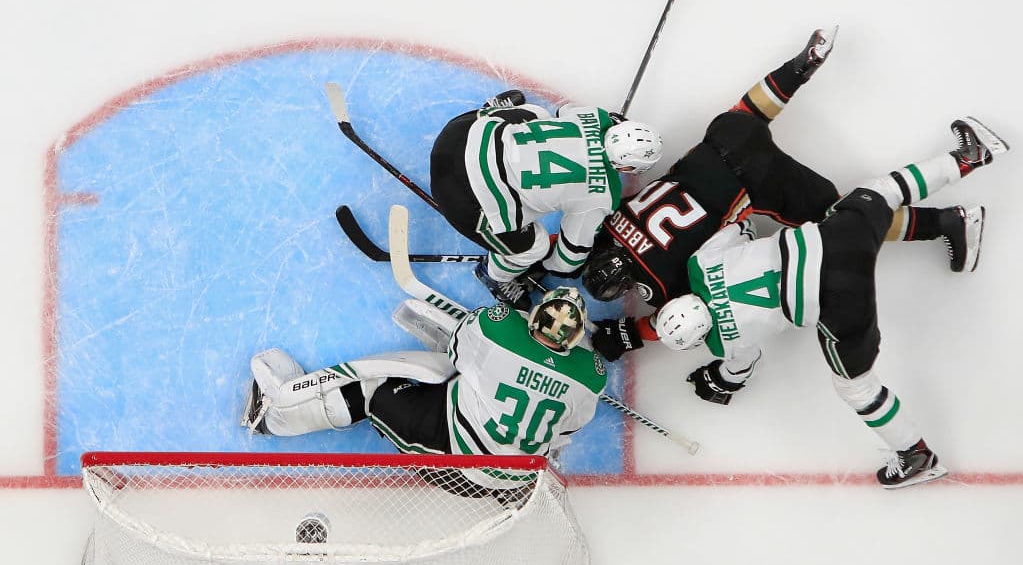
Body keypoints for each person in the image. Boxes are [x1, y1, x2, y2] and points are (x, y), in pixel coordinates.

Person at [628, 117, 1009, 488]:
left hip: (839, 301)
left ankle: (916, 455)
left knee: (856, 387)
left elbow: (741, 369)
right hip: (834, 241)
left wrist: (719, 381)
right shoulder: (700, 264)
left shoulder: (724, 342)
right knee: (883, 192)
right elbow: (739, 228)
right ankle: (968, 160)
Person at [583, 27, 984, 357]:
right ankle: (801, 66)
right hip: (716, 150)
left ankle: (948, 221)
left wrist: (628, 336)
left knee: (849, 219)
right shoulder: (612, 222)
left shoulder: (661, 284)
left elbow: (681, 316)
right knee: (746, 114)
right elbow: (581, 230)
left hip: (756, 184)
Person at [242, 287, 606, 492]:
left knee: (374, 389)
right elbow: (569, 427)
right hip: (517, 481)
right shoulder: (590, 377)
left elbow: (456, 349)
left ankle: (273, 419)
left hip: (454, 462)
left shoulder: (499, 330)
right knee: (466, 390)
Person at [429, 90, 663, 311]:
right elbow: (568, 258)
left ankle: (493, 109)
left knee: (540, 115)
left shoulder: (595, 115)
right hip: (462, 200)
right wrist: (544, 265)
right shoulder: (602, 194)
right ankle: (493, 276)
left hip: (455, 137)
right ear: (625, 166)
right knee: (534, 247)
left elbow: (565, 111)